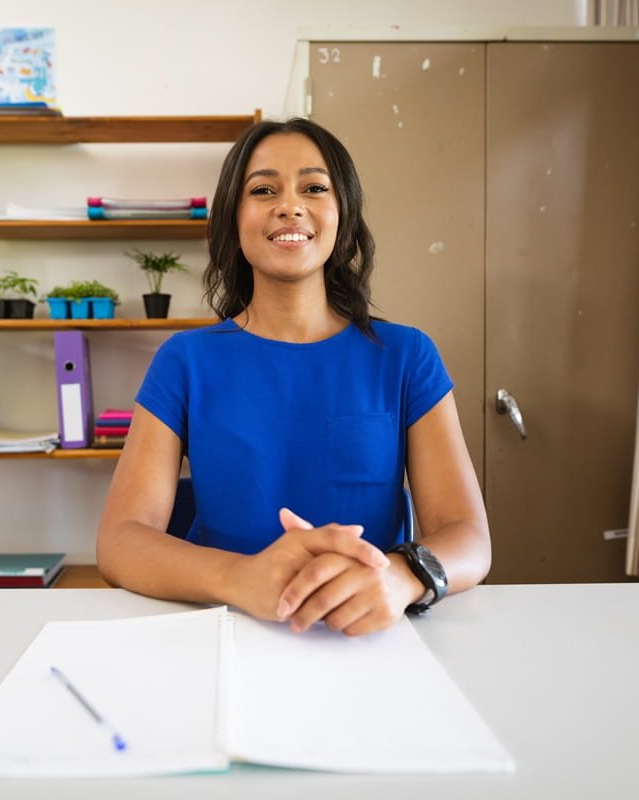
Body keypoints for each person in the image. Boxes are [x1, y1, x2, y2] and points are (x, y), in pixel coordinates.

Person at [96, 117, 490, 637]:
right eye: (263, 190)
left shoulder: (407, 356)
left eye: (313, 187)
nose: (290, 205)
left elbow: (468, 536)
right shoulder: (184, 361)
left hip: (372, 639)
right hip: (228, 631)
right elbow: (121, 539)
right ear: (234, 220)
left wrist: (402, 577)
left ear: (341, 213)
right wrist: (241, 579)